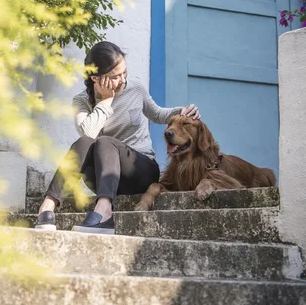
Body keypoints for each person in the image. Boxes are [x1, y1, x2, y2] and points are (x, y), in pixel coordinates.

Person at [35, 41, 200, 234]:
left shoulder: (135, 88)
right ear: (96, 79)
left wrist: (183, 111)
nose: (122, 80)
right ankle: (47, 207)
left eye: (124, 73)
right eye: (115, 77)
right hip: (104, 177)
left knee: (104, 141)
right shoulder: (81, 101)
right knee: (85, 142)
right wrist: (106, 101)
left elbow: (157, 114)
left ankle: (104, 212)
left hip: (140, 171)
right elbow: (87, 133)